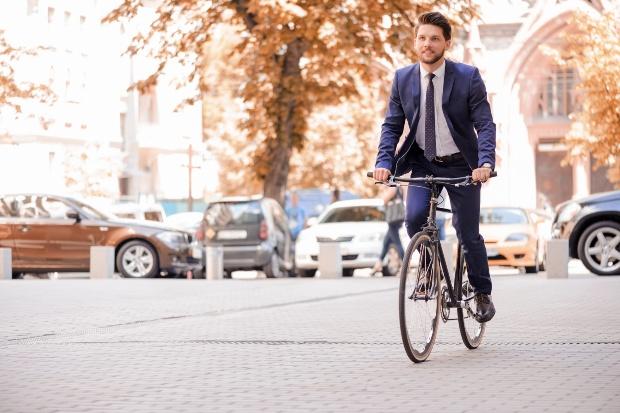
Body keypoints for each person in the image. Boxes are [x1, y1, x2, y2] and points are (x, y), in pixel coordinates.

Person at [373, 12, 496, 323]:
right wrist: (383, 162)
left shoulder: (468, 77)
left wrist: (484, 162)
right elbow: (392, 126)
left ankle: (481, 292)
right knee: (414, 219)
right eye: (422, 37)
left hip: (461, 166)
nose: (427, 44)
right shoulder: (402, 78)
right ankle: (429, 268)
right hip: (422, 161)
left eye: (434, 38)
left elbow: (484, 123)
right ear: (416, 41)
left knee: (467, 233)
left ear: (447, 43)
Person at [372, 186, 405, 275]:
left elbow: (384, 200)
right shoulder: (399, 188)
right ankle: (378, 264)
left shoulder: (393, 187)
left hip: (393, 220)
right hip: (397, 219)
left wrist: (384, 190)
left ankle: (405, 265)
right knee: (386, 243)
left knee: (397, 243)